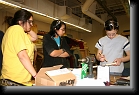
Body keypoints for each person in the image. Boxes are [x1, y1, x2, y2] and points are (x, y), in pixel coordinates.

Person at [0, 9, 38, 86]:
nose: (32, 24)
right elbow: (22, 56)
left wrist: (27, 28)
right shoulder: (16, 30)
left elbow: (35, 37)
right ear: (20, 21)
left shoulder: (22, 33)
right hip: (13, 80)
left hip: (20, 80)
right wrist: (36, 75)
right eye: (29, 22)